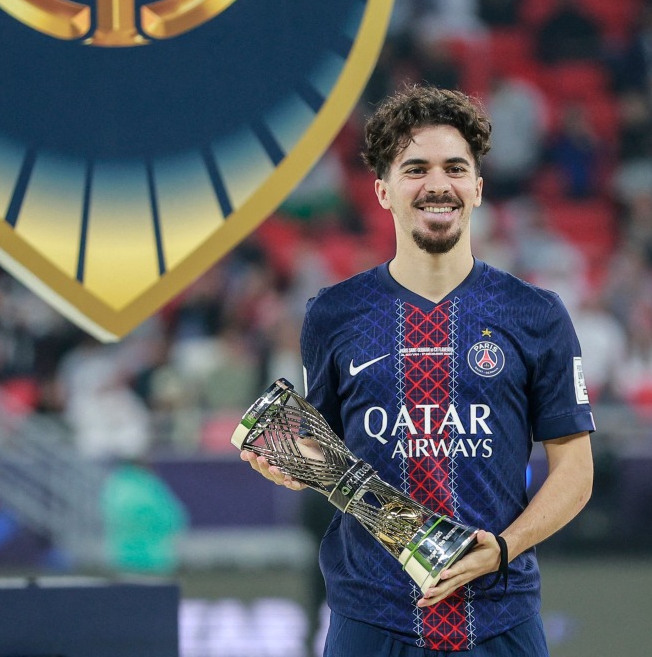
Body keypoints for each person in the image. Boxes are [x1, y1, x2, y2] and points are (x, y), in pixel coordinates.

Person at [242, 85, 595, 655]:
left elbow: (576, 470)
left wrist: (505, 547)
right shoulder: (332, 314)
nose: (438, 184)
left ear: (478, 187)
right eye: (415, 169)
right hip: (371, 616)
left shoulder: (536, 314)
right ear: (382, 191)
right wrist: (291, 463)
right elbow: (326, 455)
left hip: (499, 612)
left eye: (455, 168)